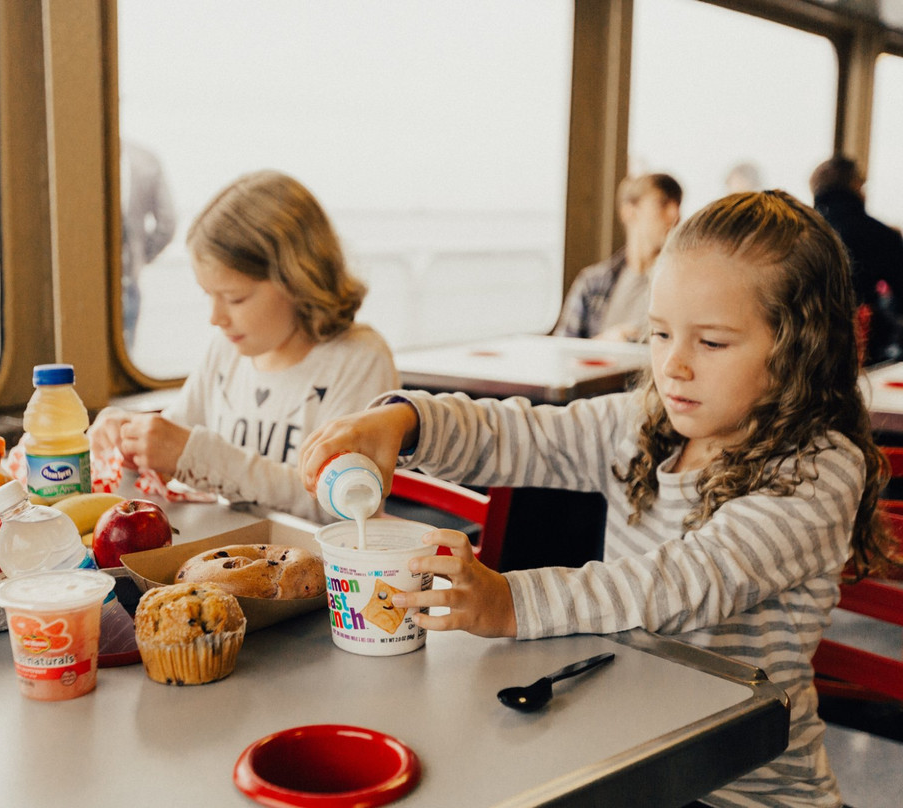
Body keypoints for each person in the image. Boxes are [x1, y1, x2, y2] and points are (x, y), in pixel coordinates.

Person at [301, 191, 892, 807]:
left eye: (711, 343)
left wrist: (510, 603)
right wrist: (407, 421)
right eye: (660, 334)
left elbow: (678, 583)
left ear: (800, 346)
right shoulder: (646, 425)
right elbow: (523, 434)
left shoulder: (817, 471)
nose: (674, 366)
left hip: (743, 789)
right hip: (633, 753)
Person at [90, 169, 398, 523]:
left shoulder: (358, 359)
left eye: (235, 299)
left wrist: (202, 457)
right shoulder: (226, 351)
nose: (216, 318)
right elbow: (172, 448)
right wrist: (129, 440)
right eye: (210, 296)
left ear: (297, 280)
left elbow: (337, 508)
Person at [554, 173, 682, 342]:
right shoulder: (592, 282)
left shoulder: (682, 283)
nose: (675, 215)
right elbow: (564, 351)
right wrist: (604, 344)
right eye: (663, 204)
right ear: (629, 212)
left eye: (678, 205)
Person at [810, 154, 903, 365]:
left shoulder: (800, 230)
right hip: (861, 347)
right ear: (855, 185)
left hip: (802, 343)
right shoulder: (880, 235)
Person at [121, 140, 178, 352]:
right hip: (127, 278)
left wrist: (141, 258)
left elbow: (167, 224)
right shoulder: (145, 159)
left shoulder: (74, 154)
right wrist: (139, 259)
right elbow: (167, 223)